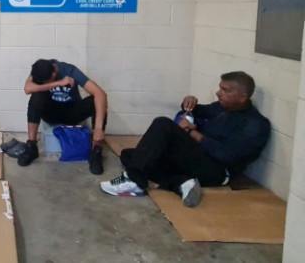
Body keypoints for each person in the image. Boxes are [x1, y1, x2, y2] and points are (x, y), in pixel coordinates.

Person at [100, 71, 271, 207]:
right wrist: (188, 103)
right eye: (220, 88)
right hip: (196, 158)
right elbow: (198, 110)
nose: (218, 93)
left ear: (243, 97)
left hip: (216, 171)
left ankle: (135, 181)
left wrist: (193, 134)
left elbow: (227, 155)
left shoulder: (255, 125)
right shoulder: (222, 107)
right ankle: (180, 182)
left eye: (225, 90)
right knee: (130, 155)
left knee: (163, 124)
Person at [18, 59, 108, 174]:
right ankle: (31, 146)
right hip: (51, 113)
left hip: (71, 112)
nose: (45, 84)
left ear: (54, 73)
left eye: (47, 81)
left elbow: (100, 93)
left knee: (97, 101)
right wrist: (58, 83)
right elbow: (28, 88)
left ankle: (96, 151)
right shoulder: (40, 69)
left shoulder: (69, 70)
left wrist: (99, 128)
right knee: (36, 96)